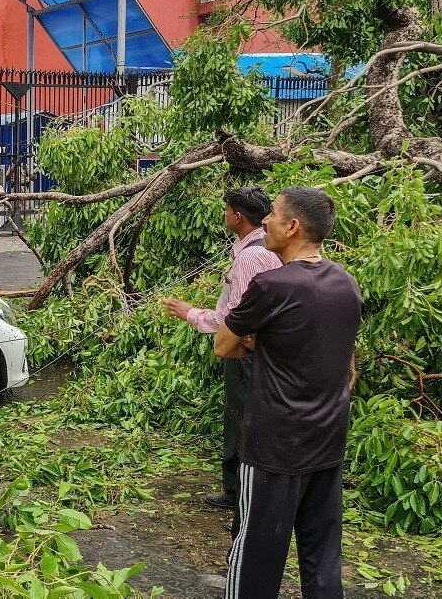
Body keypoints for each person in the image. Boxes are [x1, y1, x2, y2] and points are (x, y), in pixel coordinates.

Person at [214, 187, 363, 599]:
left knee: (256, 555)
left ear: (293, 226)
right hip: (329, 441)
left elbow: (224, 345)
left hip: (274, 446)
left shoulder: (271, 285)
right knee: (321, 557)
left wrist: (262, 341)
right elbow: (345, 360)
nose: (264, 222)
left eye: (274, 215)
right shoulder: (346, 284)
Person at [161, 186, 281, 512]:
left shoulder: (250, 257)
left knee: (242, 422)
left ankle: (240, 498)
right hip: (269, 354)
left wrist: (191, 314)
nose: (225, 214)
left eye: (227, 209)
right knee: (249, 421)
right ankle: (245, 493)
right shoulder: (268, 248)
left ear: (238, 216)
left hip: (246, 353)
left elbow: (236, 319)